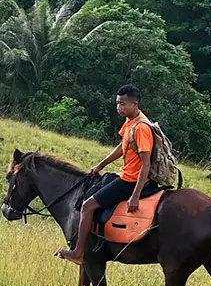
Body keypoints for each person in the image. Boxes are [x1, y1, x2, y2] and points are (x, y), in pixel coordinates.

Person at [56, 84, 160, 265]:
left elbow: (146, 164)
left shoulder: (141, 128)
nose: (119, 107)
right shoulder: (130, 122)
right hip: (124, 175)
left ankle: (78, 252)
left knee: (87, 206)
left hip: (130, 180)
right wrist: (101, 165)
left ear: (135, 104)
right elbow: (122, 146)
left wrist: (135, 195)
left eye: (123, 104)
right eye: (117, 103)